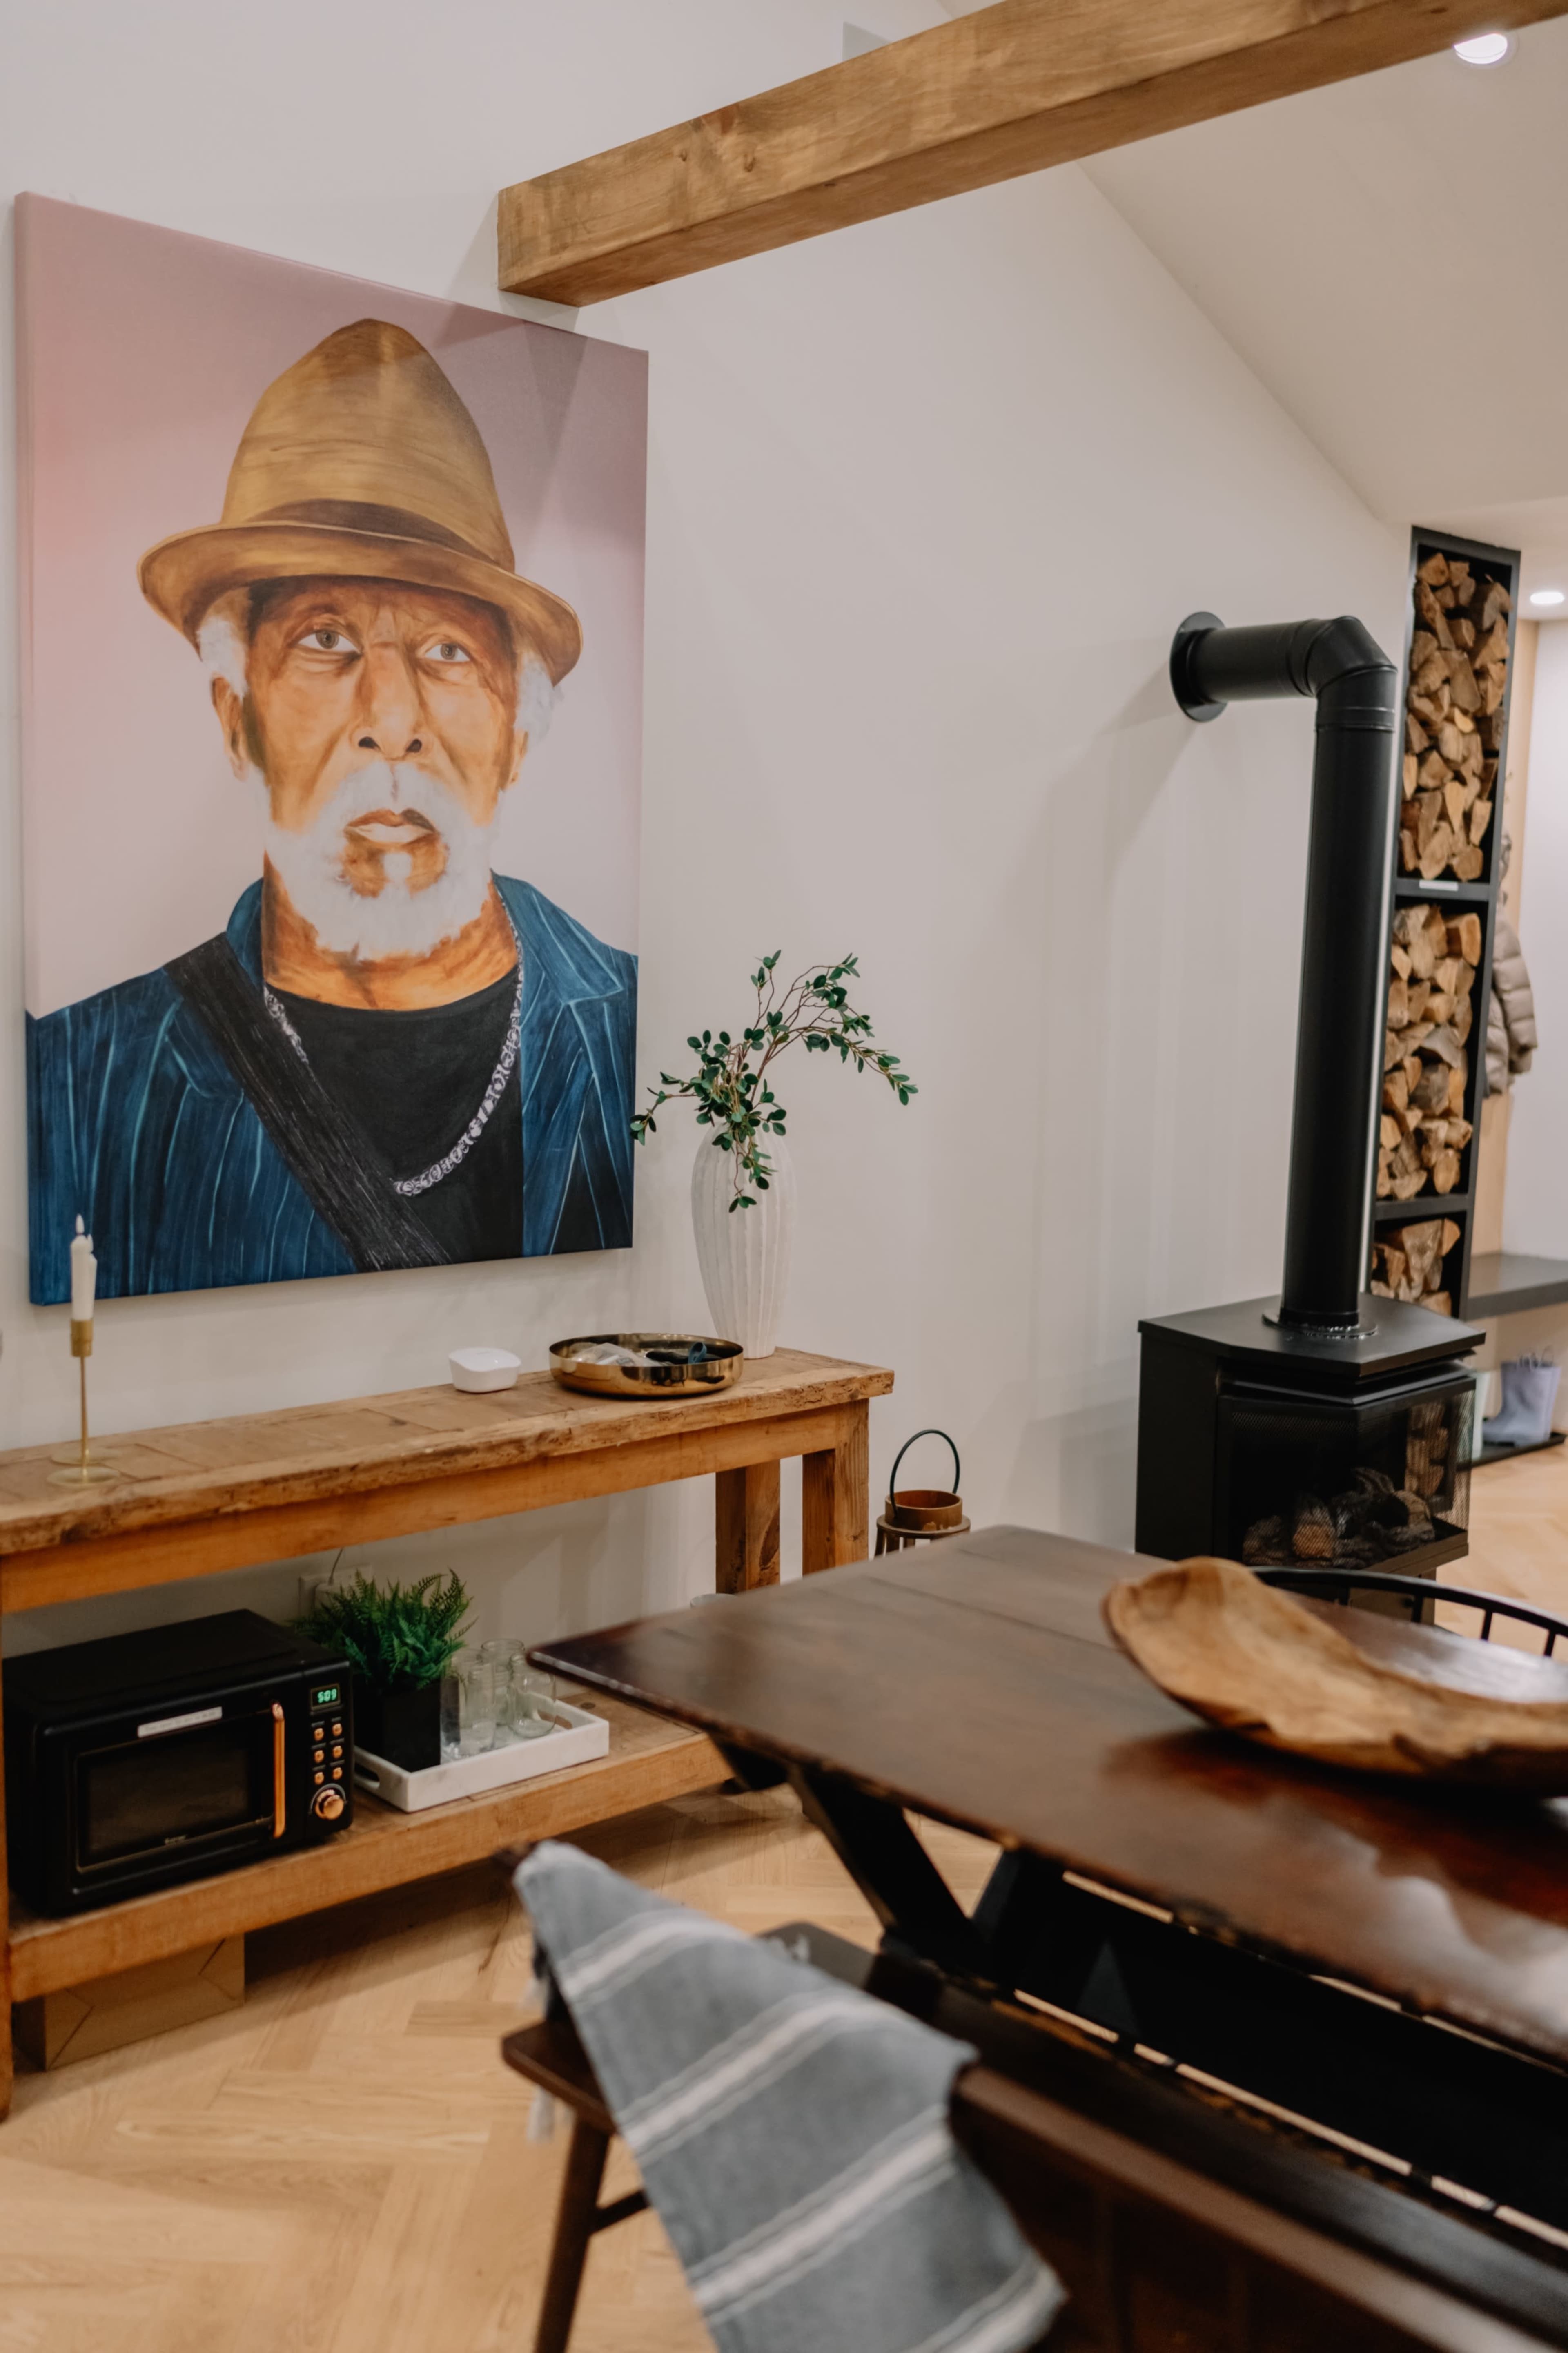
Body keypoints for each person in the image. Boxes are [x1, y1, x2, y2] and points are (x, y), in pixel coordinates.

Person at [28, 319, 635, 1302]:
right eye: (324, 639)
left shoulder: (635, 1030)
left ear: (517, 732)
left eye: (448, 653)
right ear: (237, 717)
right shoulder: (74, 1084)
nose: (392, 724)